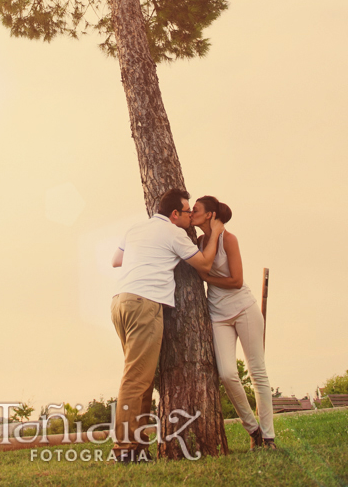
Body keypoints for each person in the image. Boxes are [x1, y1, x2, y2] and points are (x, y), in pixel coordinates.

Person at [110, 187, 224, 463]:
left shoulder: (137, 228)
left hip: (120, 302)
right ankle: (123, 450)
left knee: (144, 376)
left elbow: (116, 260)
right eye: (187, 212)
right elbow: (205, 264)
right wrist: (217, 233)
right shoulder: (174, 233)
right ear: (175, 214)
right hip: (144, 303)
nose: (189, 218)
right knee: (136, 377)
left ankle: (138, 448)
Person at [191, 195, 276, 450]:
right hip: (217, 315)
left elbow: (237, 281)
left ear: (209, 215)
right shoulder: (200, 241)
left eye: (196, 210)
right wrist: (205, 275)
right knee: (227, 374)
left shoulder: (229, 239)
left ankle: (269, 437)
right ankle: (253, 429)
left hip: (244, 309)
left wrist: (206, 278)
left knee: (257, 372)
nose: (191, 213)